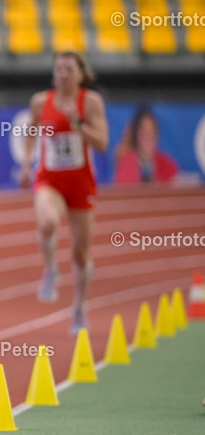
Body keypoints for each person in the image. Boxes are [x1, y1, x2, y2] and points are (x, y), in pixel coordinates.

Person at [20, 52, 109, 335]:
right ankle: (50, 269)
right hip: (49, 179)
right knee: (47, 222)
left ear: (81, 75)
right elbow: (31, 130)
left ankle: (79, 307)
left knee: (81, 255)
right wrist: (26, 163)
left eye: (69, 70)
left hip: (81, 184)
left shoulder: (90, 103)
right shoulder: (40, 101)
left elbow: (103, 144)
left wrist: (78, 125)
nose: (63, 75)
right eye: (58, 69)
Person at [113, 106, 178, 183]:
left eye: (151, 132)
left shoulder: (167, 164)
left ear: (157, 135)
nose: (147, 136)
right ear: (137, 134)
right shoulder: (127, 163)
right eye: (144, 132)